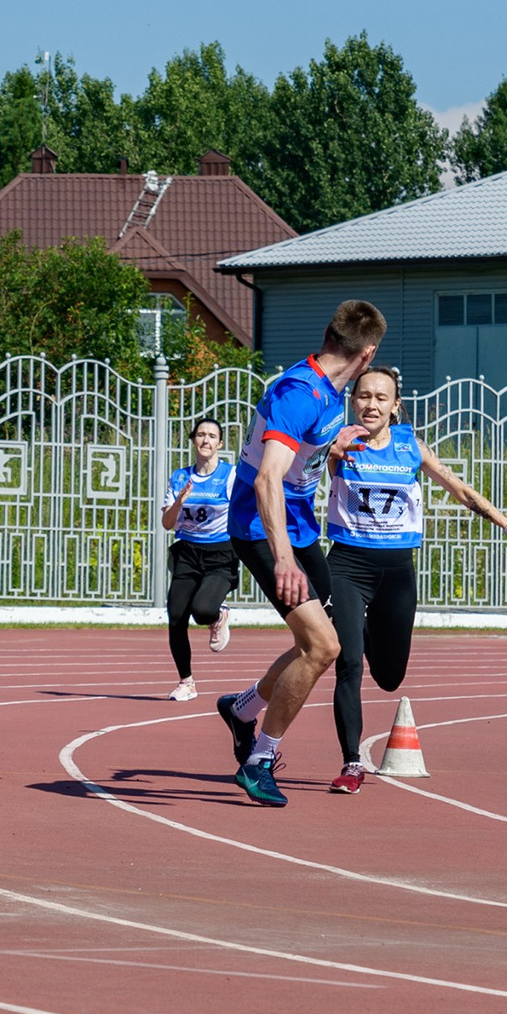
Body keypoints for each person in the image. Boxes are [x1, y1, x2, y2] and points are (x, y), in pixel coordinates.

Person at [320, 366, 507, 792]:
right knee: (347, 664)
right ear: (353, 400)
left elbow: (460, 489)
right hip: (346, 565)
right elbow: (311, 473)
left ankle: (360, 625)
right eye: (364, 396)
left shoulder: (411, 448)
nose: (371, 404)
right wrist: (329, 452)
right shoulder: (340, 442)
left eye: (381, 397)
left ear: (395, 405)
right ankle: (351, 763)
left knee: (389, 677)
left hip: (396, 572)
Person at [215, 299, 388, 808]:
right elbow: (268, 476)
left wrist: (330, 449)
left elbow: (296, 457)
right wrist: (283, 559)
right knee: (323, 648)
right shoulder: (300, 393)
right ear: (368, 351)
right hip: (262, 531)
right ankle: (259, 761)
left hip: (301, 529)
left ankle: (243, 709)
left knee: (323, 640)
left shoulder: (328, 390)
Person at [160, 417, 236, 702]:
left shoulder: (230, 475)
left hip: (220, 552)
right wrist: (179, 500)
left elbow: (245, 510)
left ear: (219, 443)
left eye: (212, 436)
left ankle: (219, 615)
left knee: (202, 611)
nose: (206, 440)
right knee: (177, 616)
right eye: (201, 435)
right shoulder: (180, 477)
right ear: (193, 440)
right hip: (187, 552)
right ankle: (186, 682)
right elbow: (167, 523)